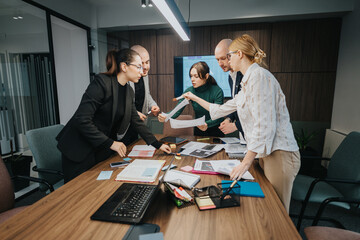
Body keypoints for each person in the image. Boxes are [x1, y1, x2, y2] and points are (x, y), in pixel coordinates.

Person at [183, 35, 300, 212]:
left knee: (278, 212)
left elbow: (264, 125)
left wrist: (245, 163)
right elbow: (223, 109)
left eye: (228, 56)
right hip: (266, 152)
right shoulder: (248, 80)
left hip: (280, 153)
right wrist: (195, 98)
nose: (227, 61)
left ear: (239, 54)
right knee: (267, 207)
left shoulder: (259, 77)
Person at [56, 49, 171, 182]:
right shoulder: (101, 83)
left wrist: (158, 144)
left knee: (96, 189)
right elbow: (82, 119)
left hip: (98, 148)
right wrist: (111, 143)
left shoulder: (128, 91)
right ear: (124, 66)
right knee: (76, 194)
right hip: (78, 148)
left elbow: (136, 120)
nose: (142, 70)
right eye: (138, 66)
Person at [158, 61, 225, 137]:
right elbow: (177, 110)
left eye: (196, 76)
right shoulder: (189, 91)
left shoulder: (217, 91)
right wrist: (166, 116)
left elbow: (219, 115)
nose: (192, 79)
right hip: (199, 129)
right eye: (191, 76)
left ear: (206, 76)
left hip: (215, 130)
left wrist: (207, 124)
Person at [121, 45, 160, 146]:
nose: (145, 67)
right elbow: (119, 103)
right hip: (123, 128)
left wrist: (153, 105)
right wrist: (134, 113)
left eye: (147, 62)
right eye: (141, 64)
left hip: (137, 126)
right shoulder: (124, 78)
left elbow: (146, 94)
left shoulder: (144, 75)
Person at [215, 39, 244, 139]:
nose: (220, 63)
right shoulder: (231, 76)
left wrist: (235, 126)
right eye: (217, 60)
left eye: (223, 58)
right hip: (246, 137)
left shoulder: (247, 76)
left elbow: (254, 113)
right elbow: (236, 104)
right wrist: (229, 118)